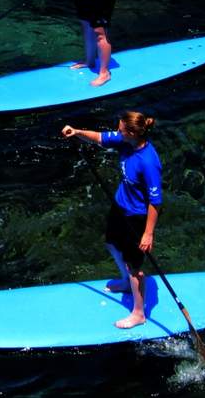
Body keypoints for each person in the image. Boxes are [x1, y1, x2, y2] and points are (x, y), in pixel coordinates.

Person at [61, 110, 161, 329]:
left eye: (120, 129)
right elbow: (98, 137)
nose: (117, 132)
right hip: (120, 206)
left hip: (137, 217)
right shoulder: (125, 141)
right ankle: (126, 282)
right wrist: (76, 132)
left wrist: (148, 233)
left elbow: (156, 202)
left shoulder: (148, 162)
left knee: (135, 267)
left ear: (132, 133)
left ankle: (138, 313)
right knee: (111, 244)